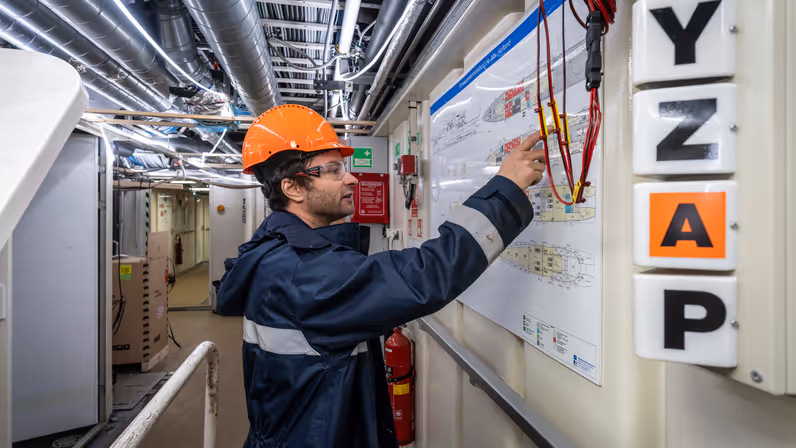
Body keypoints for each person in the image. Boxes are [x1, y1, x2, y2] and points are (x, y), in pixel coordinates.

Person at [216, 104, 547, 448]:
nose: (351, 178)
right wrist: (506, 190)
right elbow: (427, 274)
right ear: (293, 188)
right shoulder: (305, 271)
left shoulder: (271, 252)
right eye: (333, 170)